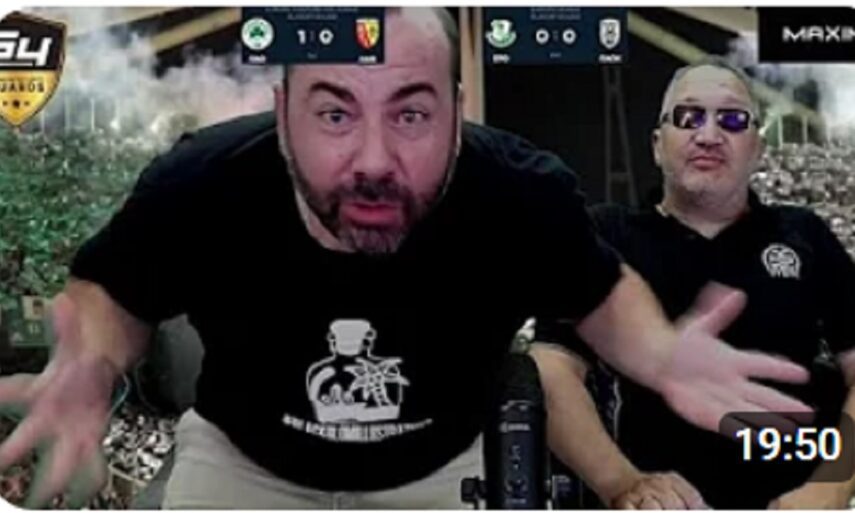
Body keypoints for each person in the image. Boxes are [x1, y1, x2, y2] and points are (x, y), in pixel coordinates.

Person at [0, 10, 810, 509]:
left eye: (411, 114)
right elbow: (116, 291)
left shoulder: (520, 192)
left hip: (434, 475)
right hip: (241, 466)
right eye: (334, 114)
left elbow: (597, 294)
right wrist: (89, 362)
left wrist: (658, 352)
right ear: (282, 113)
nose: (374, 160)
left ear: (456, 113)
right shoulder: (203, 180)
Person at [536, 59, 855, 509]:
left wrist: (831, 487)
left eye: (732, 119)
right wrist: (622, 483)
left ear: (758, 149)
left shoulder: (805, 235)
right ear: (657, 144)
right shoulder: (607, 236)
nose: (708, 135)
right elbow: (550, 370)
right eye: (688, 117)